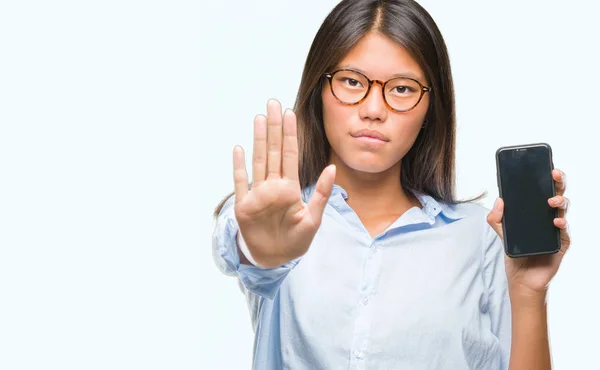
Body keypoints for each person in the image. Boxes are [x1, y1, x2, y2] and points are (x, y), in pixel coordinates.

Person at [212, 0, 571, 369]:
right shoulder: (273, 211)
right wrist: (262, 253)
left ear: (432, 107)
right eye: (352, 82)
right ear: (319, 88)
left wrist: (528, 293)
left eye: (402, 89)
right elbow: (239, 245)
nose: (373, 109)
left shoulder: (481, 237)